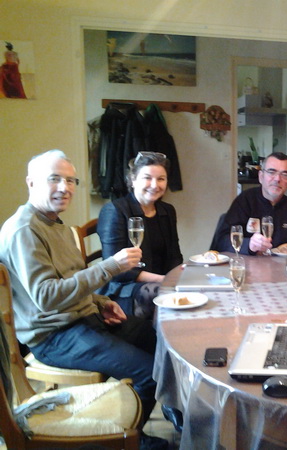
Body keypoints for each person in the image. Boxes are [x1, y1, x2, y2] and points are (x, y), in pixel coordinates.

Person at [0, 150, 167, 448]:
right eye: (54, 179)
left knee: (157, 340)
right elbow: (47, 297)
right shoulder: (24, 230)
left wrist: (101, 303)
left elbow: (70, 280)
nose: (65, 187)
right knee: (150, 372)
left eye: (70, 180)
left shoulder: (56, 224)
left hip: (83, 318)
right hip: (55, 336)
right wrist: (111, 266)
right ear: (31, 183)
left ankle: (151, 417)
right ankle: (129, 440)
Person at [97, 151, 183, 320]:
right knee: (164, 294)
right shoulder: (114, 210)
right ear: (133, 180)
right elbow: (115, 269)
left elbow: (175, 255)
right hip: (124, 287)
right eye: (147, 178)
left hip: (160, 281)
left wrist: (175, 276)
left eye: (161, 179)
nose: (154, 185)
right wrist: (164, 280)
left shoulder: (167, 210)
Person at [214, 152, 287, 255]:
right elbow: (221, 241)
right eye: (271, 172)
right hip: (248, 267)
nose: (277, 179)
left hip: (282, 268)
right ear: (261, 176)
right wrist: (249, 244)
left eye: (284, 174)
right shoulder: (245, 201)